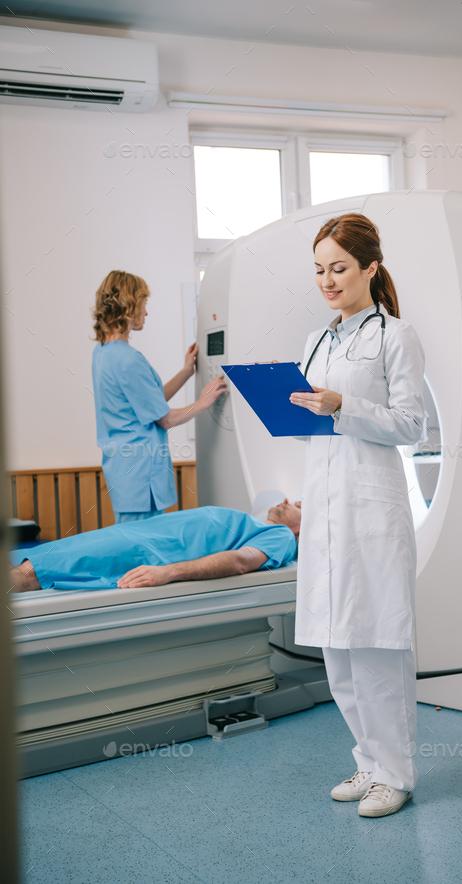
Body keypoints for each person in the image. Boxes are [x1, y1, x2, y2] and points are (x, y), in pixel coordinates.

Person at [290, 213, 425, 819]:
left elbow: (412, 425)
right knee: (336, 648)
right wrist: (293, 413)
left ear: (370, 267)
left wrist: (346, 404)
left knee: (374, 646)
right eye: (319, 269)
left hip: (371, 508)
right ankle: (368, 762)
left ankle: (395, 775)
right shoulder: (318, 341)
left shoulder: (395, 336)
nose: (327, 279)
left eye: (339, 267)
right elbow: (317, 423)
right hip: (324, 505)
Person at [92, 271, 227, 523]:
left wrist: (187, 372)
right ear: (129, 305)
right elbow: (164, 419)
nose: (146, 312)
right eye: (143, 304)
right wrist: (203, 402)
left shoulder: (102, 353)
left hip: (124, 473)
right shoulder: (128, 359)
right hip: (140, 475)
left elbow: (148, 402)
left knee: (133, 546)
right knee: (142, 552)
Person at [9, 499, 301, 592]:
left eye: (300, 505)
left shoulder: (281, 536)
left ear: (303, 529)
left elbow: (240, 561)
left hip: (143, 551)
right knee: (29, 560)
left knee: (33, 573)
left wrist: (168, 572)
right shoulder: (255, 522)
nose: (288, 501)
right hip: (136, 534)